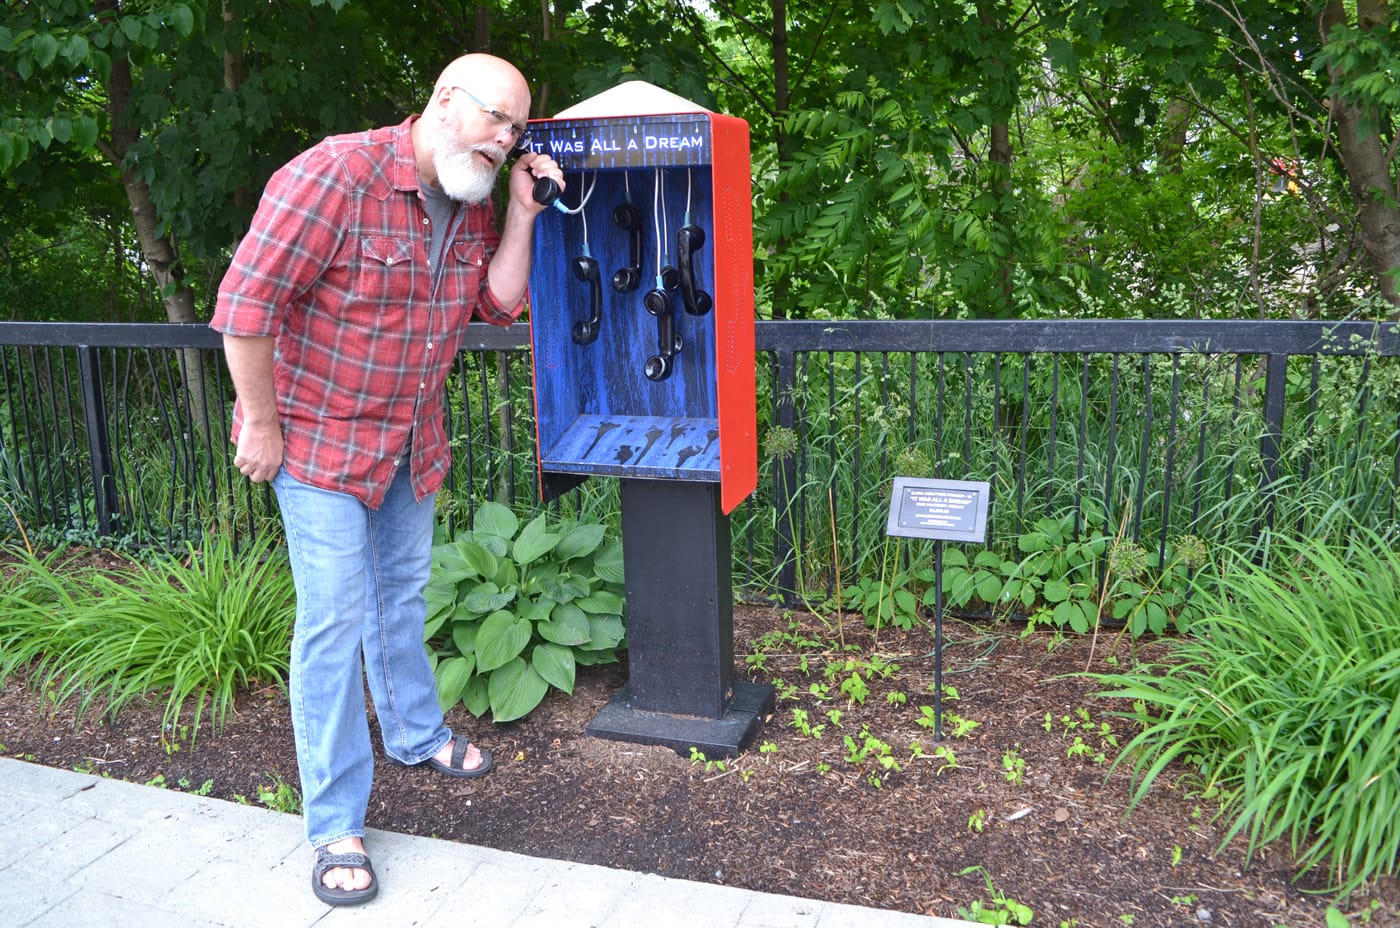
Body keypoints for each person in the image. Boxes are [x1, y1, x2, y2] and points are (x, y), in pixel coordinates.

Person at [210, 53, 563, 907]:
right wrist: (259, 423)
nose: (504, 141)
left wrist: (521, 213)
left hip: (412, 445)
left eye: (516, 129)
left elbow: (501, 303)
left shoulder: (472, 193)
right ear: (445, 101)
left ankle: (413, 733)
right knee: (332, 621)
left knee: (399, 595)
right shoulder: (334, 174)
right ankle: (335, 822)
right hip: (320, 447)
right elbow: (244, 307)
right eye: (495, 120)